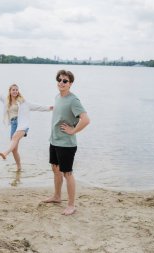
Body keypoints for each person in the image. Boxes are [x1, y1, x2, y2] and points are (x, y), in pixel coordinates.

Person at [43, 70, 90, 215]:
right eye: (59, 80)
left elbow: (86, 120)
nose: (61, 83)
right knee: (55, 170)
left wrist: (73, 130)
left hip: (67, 144)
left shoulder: (73, 100)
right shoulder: (57, 97)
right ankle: (57, 196)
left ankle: (71, 205)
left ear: (70, 84)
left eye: (65, 81)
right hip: (54, 141)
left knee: (67, 173)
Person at [0, 80, 53, 171]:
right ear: (10, 91)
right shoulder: (6, 100)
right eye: (13, 90)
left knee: (14, 138)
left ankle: (5, 153)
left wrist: (49, 108)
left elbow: (37, 107)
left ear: (18, 91)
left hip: (22, 124)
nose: (15, 91)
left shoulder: (23, 102)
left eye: (16, 90)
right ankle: (19, 168)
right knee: (14, 150)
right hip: (13, 124)